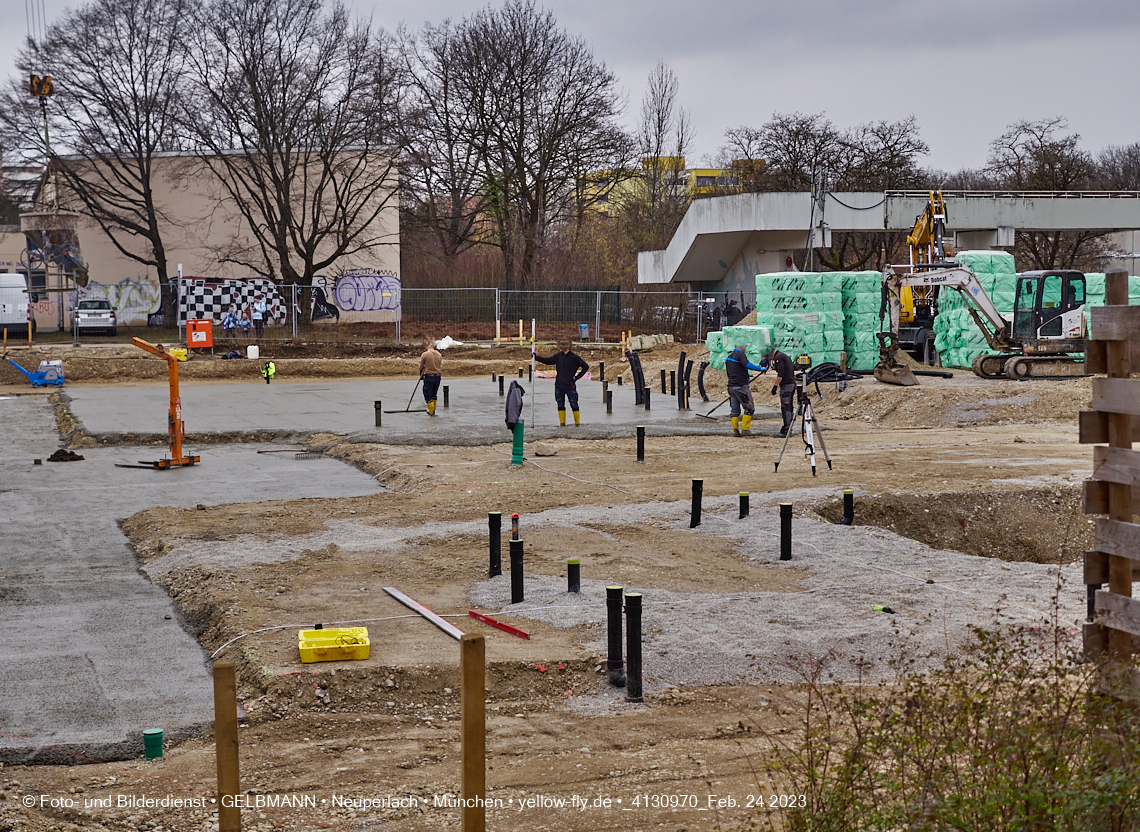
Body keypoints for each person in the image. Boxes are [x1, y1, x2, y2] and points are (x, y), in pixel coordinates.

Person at [535, 338, 589, 426]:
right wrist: (536, 357)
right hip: (559, 386)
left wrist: (576, 377)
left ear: (566, 347)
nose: (559, 348)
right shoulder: (558, 356)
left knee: (574, 404)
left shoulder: (574, 357)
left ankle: (577, 424)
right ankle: (562, 424)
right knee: (560, 405)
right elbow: (548, 361)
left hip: (570, 386)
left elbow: (585, 366)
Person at [725, 344, 765, 436]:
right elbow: (747, 365)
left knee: (734, 410)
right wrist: (760, 368)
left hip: (731, 387)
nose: (745, 349)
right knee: (749, 408)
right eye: (745, 347)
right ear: (742, 346)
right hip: (741, 387)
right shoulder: (741, 355)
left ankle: (735, 430)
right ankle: (746, 430)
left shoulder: (729, 357)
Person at [764, 345, 797, 438]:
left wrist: (775, 386)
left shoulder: (779, 358)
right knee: (788, 407)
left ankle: (787, 429)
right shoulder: (783, 355)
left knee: (786, 407)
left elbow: (781, 374)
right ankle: (788, 428)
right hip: (790, 384)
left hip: (787, 385)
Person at [418, 335, 443, 416]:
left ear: (427, 346)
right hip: (438, 376)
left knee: (427, 394)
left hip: (429, 376)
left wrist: (421, 375)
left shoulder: (425, 354)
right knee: (434, 394)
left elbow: (421, 367)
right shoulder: (439, 354)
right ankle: (433, 410)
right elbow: (439, 365)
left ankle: (431, 412)